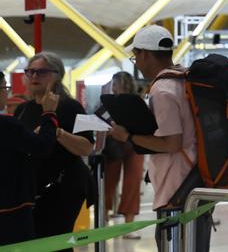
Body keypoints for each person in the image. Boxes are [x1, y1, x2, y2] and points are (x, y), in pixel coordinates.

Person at [108, 25, 212, 252]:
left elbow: (171, 143)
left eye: (136, 56)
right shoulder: (184, 79)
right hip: (199, 178)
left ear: (145, 54)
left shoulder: (163, 89)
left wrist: (128, 136)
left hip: (177, 189)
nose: (137, 62)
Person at [14, 52, 96, 241]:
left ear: (56, 75)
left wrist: (55, 131)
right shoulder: (23, 109)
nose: (34, 77)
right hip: (33, 189)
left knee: (56, 241)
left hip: (64, 186)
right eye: (30, 72)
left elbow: (86, 147)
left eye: (41, 72)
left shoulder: (71, 107)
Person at [0, 70, 60, 245]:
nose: (7, 92)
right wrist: (49, 114)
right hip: (11, 208)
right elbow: (43, 147)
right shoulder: (7, 125)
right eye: (5, 87)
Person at [101, 71, 144, 238]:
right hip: (114, 145)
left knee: (132, 183)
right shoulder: (107, 101)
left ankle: (128, 226)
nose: (115, 87)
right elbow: (101, 118)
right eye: (114, 84)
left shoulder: (137, 101)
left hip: (135, 143)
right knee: (109, 183)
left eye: (117, 83)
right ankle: (102, 220)